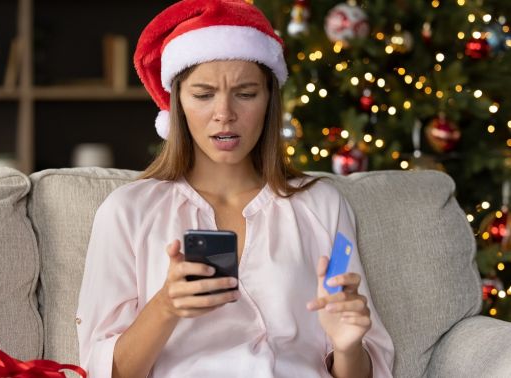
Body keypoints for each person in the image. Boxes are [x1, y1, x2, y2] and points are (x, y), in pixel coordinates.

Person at [76, 0, 394, 377]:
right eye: (203, 94)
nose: (224, 113)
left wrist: (348, 346)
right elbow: (100, 370)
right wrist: (165, 307)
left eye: (245, 93)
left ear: (269, 101)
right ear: (177, 102)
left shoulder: (320, 204)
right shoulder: (128, 210)